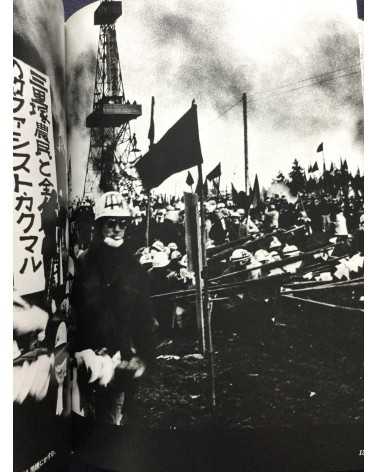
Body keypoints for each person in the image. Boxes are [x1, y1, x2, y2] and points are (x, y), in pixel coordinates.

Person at [71, 191, 155, 426]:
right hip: (89, 354)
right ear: (100, 226)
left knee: (115, 418)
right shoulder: (86, 263)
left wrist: (144, 354)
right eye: (111, 224)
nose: (117, 229)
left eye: (122, 224)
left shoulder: (133, 266)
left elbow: (144, 313)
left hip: (122, 356)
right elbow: (82, 306)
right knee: (88, 416)